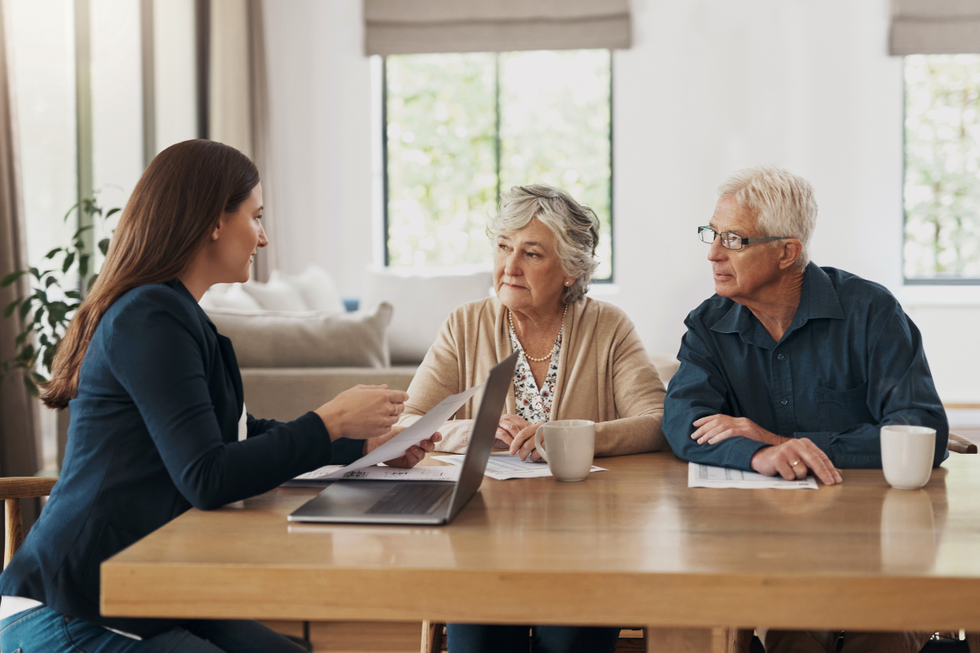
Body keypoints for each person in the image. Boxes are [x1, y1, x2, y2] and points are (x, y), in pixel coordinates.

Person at [0, 139, 438, 653]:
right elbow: (206, 476)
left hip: (142, 593)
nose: (265, 236)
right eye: (255, 217)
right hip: (74, 606)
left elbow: (241, 435)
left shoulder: (176, 315)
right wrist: (329, 422)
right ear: (213, 220)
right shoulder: (151, 317)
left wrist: (363, 447)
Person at [663, 165, 947, 653]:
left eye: (734, 239)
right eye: (712, 233)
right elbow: (683, 421)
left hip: (878, 535)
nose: (713, 253)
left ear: (786, 253)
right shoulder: (710, 325)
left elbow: (920, 429)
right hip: (772, 540)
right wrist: (757, 455)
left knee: (881, 638)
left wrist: (782, 443)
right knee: (791, 635)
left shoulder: (871, 312)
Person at [399, 184, 667, 653]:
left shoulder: (609, 326)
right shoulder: (464, 324)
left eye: (532, 253)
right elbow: (407, 422)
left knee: (569, 644)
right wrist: (474, 430)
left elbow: (657, 420)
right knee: (480, 643)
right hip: (481, 539)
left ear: (570, 270)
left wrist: (568, 437)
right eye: (504, 247)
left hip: (587, 541)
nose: (510, 266)